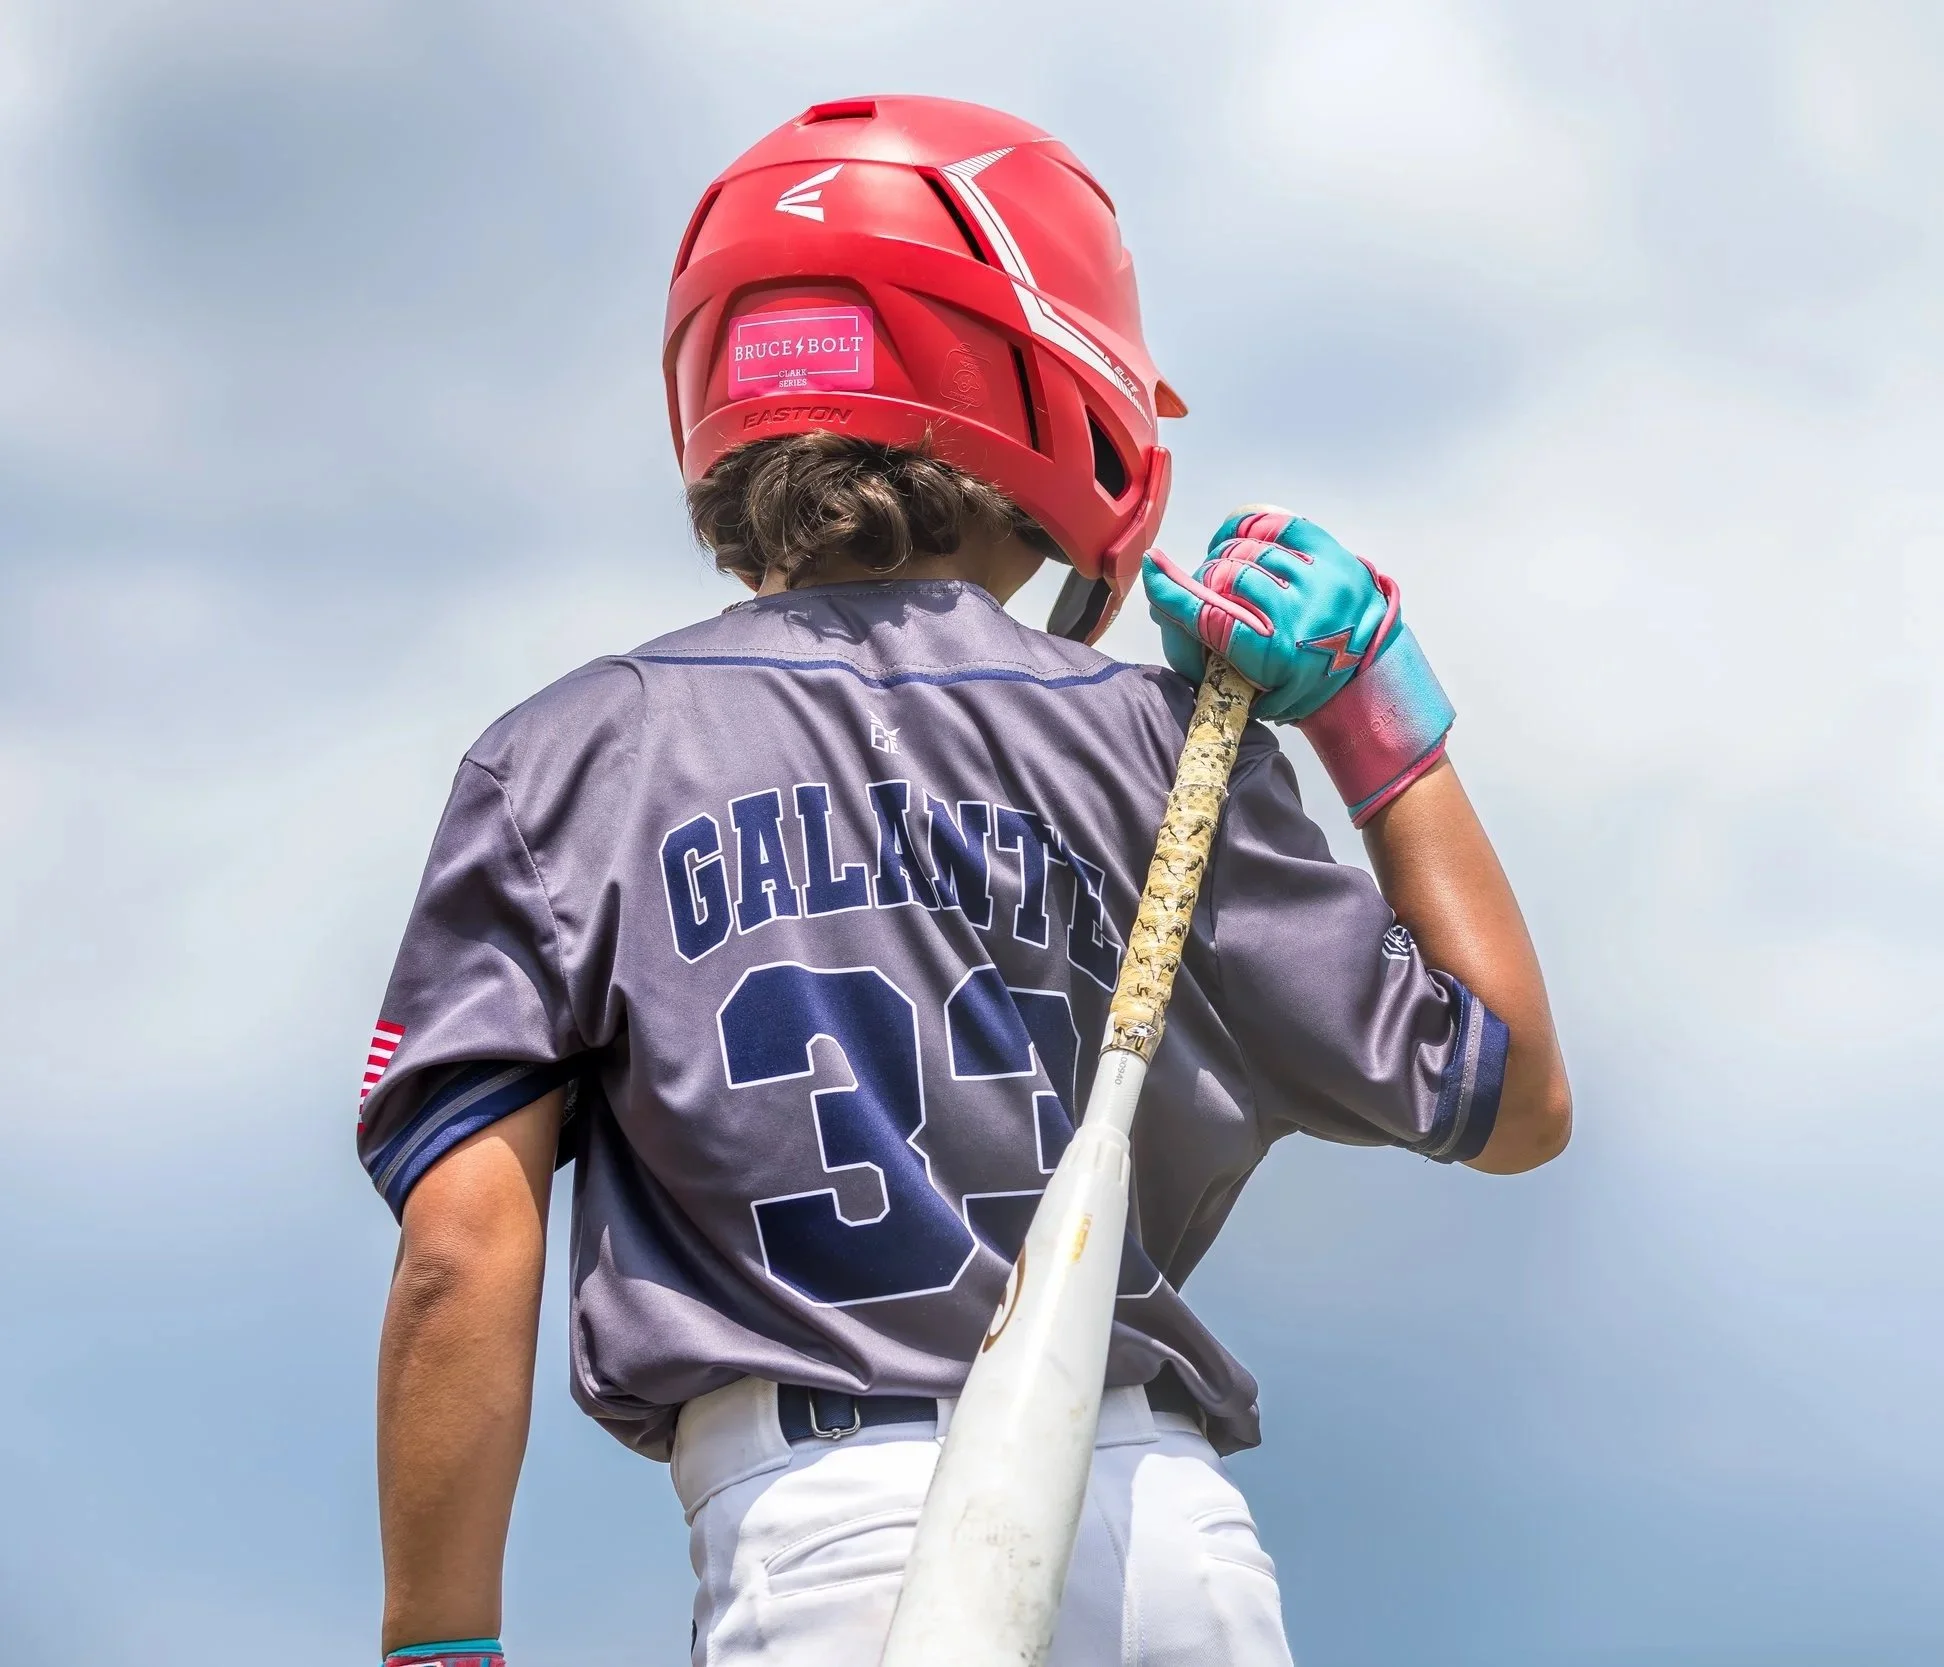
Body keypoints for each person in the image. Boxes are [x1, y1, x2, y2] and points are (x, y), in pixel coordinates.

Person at [357, 96, 1571, 1667]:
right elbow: (1517, 1094)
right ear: (1044, 382)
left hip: (829, 1536)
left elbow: (464, 1243)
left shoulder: (571, 758)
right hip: (1161, 1535)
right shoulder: (1149, 740)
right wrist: (1376, 713)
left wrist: (437, 1641)